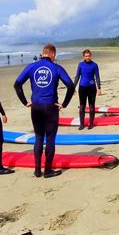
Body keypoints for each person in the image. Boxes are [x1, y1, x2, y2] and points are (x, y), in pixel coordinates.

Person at [14, 44, 74, 178]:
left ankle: (37, 170)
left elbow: (17, 84)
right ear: (53, 54)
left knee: (39, 138)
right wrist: (64, 104)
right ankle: (47, 170)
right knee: (50, 139)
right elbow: (70, 85)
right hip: (51, 107)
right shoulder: (56, 68)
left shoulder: (31, 66)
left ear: (42, 53)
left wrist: (25, 102)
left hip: (36, 107)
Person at [73, 49, 101, 130]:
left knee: (91, 106)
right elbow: (77, 76)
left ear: (90, 56)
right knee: (82, 106)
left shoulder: (94, 65)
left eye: (89, 56)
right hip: (82, 88)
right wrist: (73, 87)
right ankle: (82, 124)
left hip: (92, 88)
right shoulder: (80, 65)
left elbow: (97, 77)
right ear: (83, 57)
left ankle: (91, 124)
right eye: (86, 56)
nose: (87, 57)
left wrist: (99, 88)